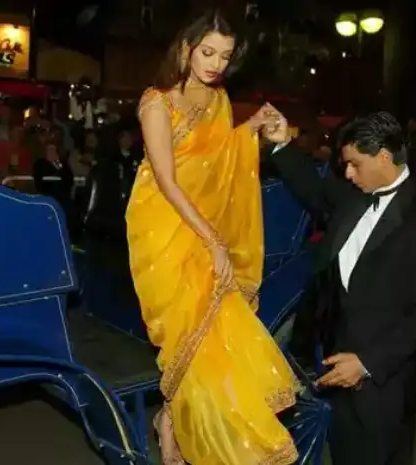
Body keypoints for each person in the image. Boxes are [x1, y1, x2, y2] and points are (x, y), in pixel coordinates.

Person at [126, 10, 299, 465]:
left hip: (203, 225)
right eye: (207, 52)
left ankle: (172, 421)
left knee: (212, 336)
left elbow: (221, 159)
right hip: (161, 226)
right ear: (185, 48)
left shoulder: (219, 100)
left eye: (224, 56)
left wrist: (252, 131)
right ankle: (176, 423)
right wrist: (214, 242)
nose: (216, 64)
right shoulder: (155, 102)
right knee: (185, 332)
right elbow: (167, 180)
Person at [263, 111, 416, 465]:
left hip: (383, 384)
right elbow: (316, 190)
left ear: (384, 157)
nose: (348, 174)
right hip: (337, 368)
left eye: (354, 164)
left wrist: (367, 363)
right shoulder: (356, 195)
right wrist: (282, 144)